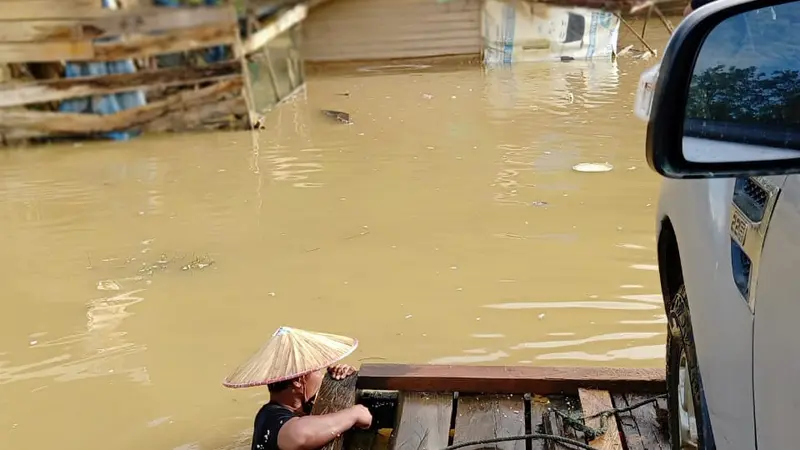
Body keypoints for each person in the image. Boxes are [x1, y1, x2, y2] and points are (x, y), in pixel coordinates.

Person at [223, 327, 373, 450]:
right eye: (317, 370)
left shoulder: (303, 406)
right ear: (298, 381)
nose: (321, 376)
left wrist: (340, 381)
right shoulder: (269, 417)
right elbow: (299, 436)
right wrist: (354, 413)